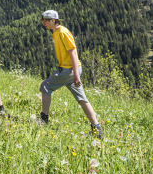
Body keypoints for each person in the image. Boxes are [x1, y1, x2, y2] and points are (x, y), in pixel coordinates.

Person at [39, 10, 104, 139]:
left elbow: (73, 52)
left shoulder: (63, 32)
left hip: (69, 71)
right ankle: (97, 129)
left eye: (46, 20)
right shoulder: (55, 32)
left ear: (53, 20)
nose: (44, 23)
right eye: (43, 20)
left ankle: (43, 119)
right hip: (70, 70)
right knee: (82, 99)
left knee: (45, 87)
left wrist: (76, 75)